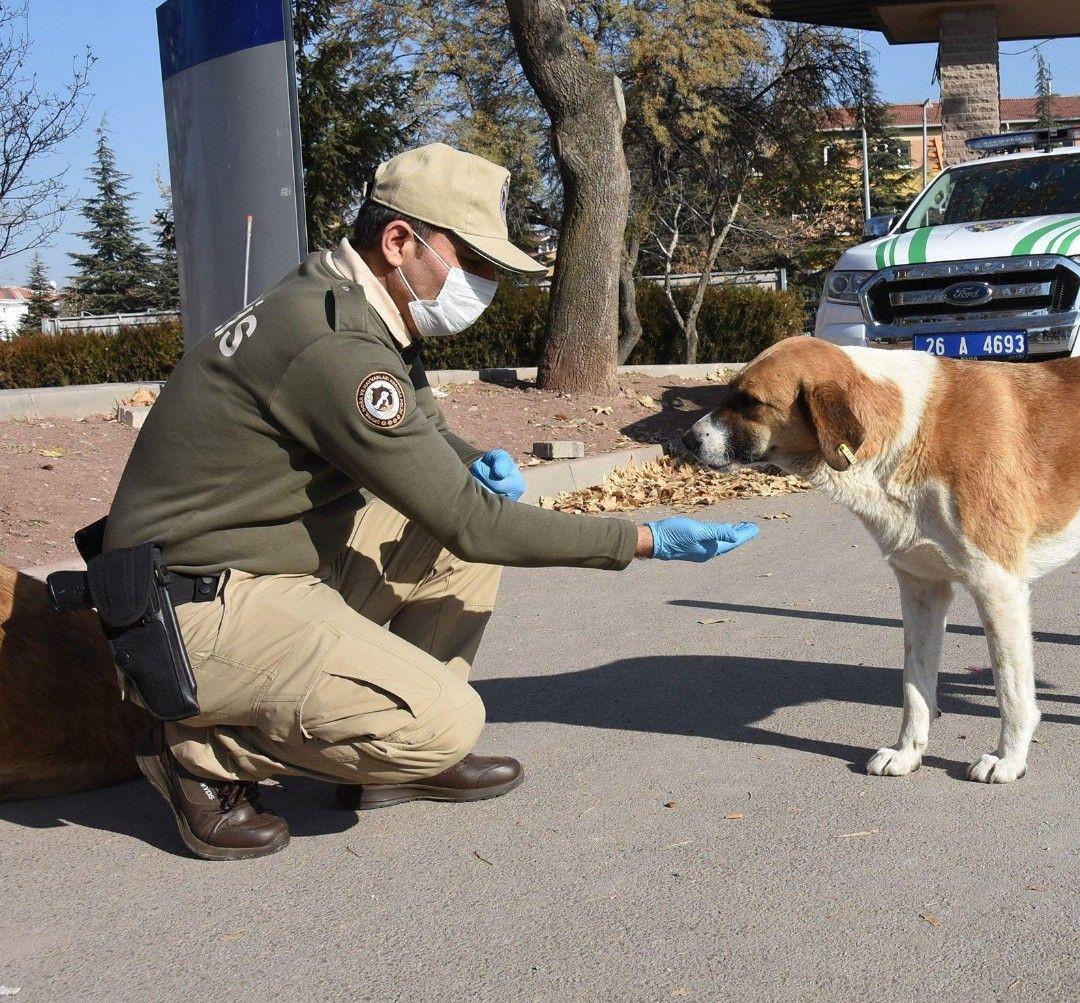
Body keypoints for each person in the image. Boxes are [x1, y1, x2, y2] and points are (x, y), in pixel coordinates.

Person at [102, 144, 757, 860]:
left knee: (450, 539)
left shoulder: (351, 300)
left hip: (259, 566)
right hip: (192, 608)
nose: (486, 284)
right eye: (472, 261)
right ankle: (198, 755)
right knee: (449, 717)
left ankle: (390, 757)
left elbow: (428, 434)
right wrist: (643, 539)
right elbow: (474, 524)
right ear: (398, 241)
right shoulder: (334, 344)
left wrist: (473, 461)